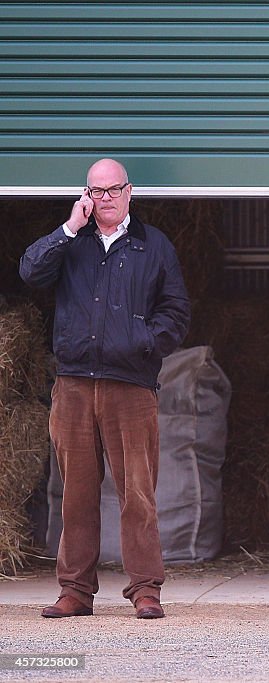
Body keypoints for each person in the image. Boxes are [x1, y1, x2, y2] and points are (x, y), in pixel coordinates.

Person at [20, 159, 190, 619]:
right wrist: (68, 228)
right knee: (76, 492)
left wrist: (142, 342)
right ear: (86, 196)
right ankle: (75, 591)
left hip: (130, 387)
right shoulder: (71, 243)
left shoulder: (152, 246)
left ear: (129, 192)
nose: (106, 198)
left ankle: (145, 589)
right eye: (97, 191)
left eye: (114, 190)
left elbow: (176, 311)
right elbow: (30, 272)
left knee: (138, 491)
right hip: (73, 385)